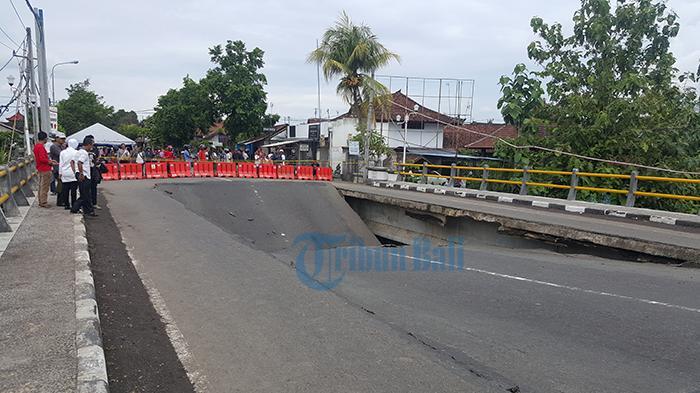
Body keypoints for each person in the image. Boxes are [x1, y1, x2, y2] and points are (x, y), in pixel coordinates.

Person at [71, 137, 96, 217]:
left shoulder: (78, 152)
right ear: (88, 145)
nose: (92, 147)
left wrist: (75, 172)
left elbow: (72, 162)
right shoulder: (84, 153)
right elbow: (79, 163)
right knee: (85, 195)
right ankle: (75, 208)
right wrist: (81, 173)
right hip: (84, 176)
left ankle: (88, 210)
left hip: (79, 174)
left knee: (86, 194)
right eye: (91, 145)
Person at [33, 131, 57, 208]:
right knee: (45, 186)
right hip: (45, 169)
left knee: (41, 186)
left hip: (40, 168)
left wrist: (50, 161)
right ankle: (43, 202)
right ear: (45, 138)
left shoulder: (37, 146)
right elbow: (42, 159)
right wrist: (50, 162)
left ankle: (41, 201)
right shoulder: (41, 147)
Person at [58, 139, 79, 210]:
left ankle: (66, 204)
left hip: (65, 173)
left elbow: (61, 164)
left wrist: (60, 173)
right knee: (73, 191)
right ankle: (73, 204)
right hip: (73, 173)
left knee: (65, 190)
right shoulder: (76, 152)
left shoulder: (63, 152)